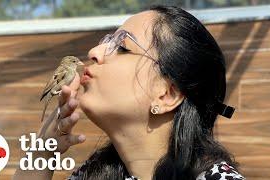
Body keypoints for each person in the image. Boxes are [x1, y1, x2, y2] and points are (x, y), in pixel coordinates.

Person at [13, 5, 245, 180]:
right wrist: (42, 152)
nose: (94, 51)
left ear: (167, 95)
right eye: (106, 41)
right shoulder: (93, 174)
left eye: (123, 47)